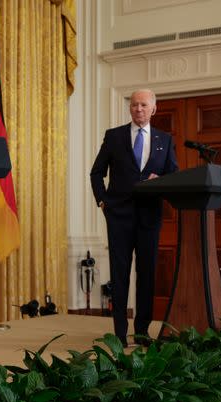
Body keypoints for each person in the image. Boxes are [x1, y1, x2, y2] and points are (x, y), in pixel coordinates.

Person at [90, 89, 178, 347]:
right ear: (130, 108)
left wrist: (160, 180)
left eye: (143, 105)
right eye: (134, 105)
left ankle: (142, 331)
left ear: (154, 109)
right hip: (118, 215)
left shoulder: (165, 139)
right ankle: (119, 332)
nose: (138, 109)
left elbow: (174, 174)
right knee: (120, 273)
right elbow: (96, 173)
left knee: (147, 273)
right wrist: (103, 201)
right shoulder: (114, 136)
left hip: (150, 216)